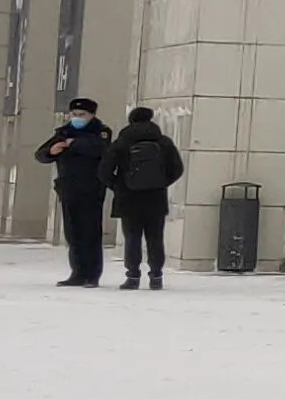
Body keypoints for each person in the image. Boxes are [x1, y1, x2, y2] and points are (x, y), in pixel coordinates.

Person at [33, 98, 114, 287]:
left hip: (91, 188)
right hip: (68, 188)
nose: (77, 118)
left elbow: (100, 149)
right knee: (73, 233)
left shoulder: (100, 132)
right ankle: (77, 272)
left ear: (92, 115)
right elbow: (40, 154)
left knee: (91, 233)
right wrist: (52, 151)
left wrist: (72, 144)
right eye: (74, 114)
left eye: (82, 115)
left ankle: (92, 275)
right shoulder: (63, 132)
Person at [107, 107, 187, 289]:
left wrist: (119, 186)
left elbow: (104, 170)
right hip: (156, 198)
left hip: (128, 199)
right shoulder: (163, 142)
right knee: (155, 238)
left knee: (132, 237)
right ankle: (156, 276)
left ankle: (133, 276)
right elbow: (177, 168)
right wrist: (161, 183)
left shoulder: (122, 142)